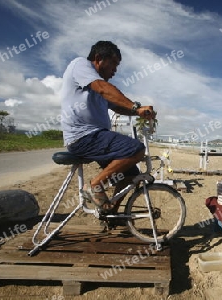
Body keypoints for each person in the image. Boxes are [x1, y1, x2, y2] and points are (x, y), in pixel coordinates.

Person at [60, 40, 155, 214]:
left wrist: (139, 112)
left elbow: (118, 107)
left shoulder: (97, 86)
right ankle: (95, 185)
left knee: (129, 175)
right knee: (136, 149)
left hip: (96, 136)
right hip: (83, 137)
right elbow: (104, 89)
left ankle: (112, 213)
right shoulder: (81, 65)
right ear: (98, 58)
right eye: (113, 64)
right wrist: (136, 107)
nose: (115, 70)